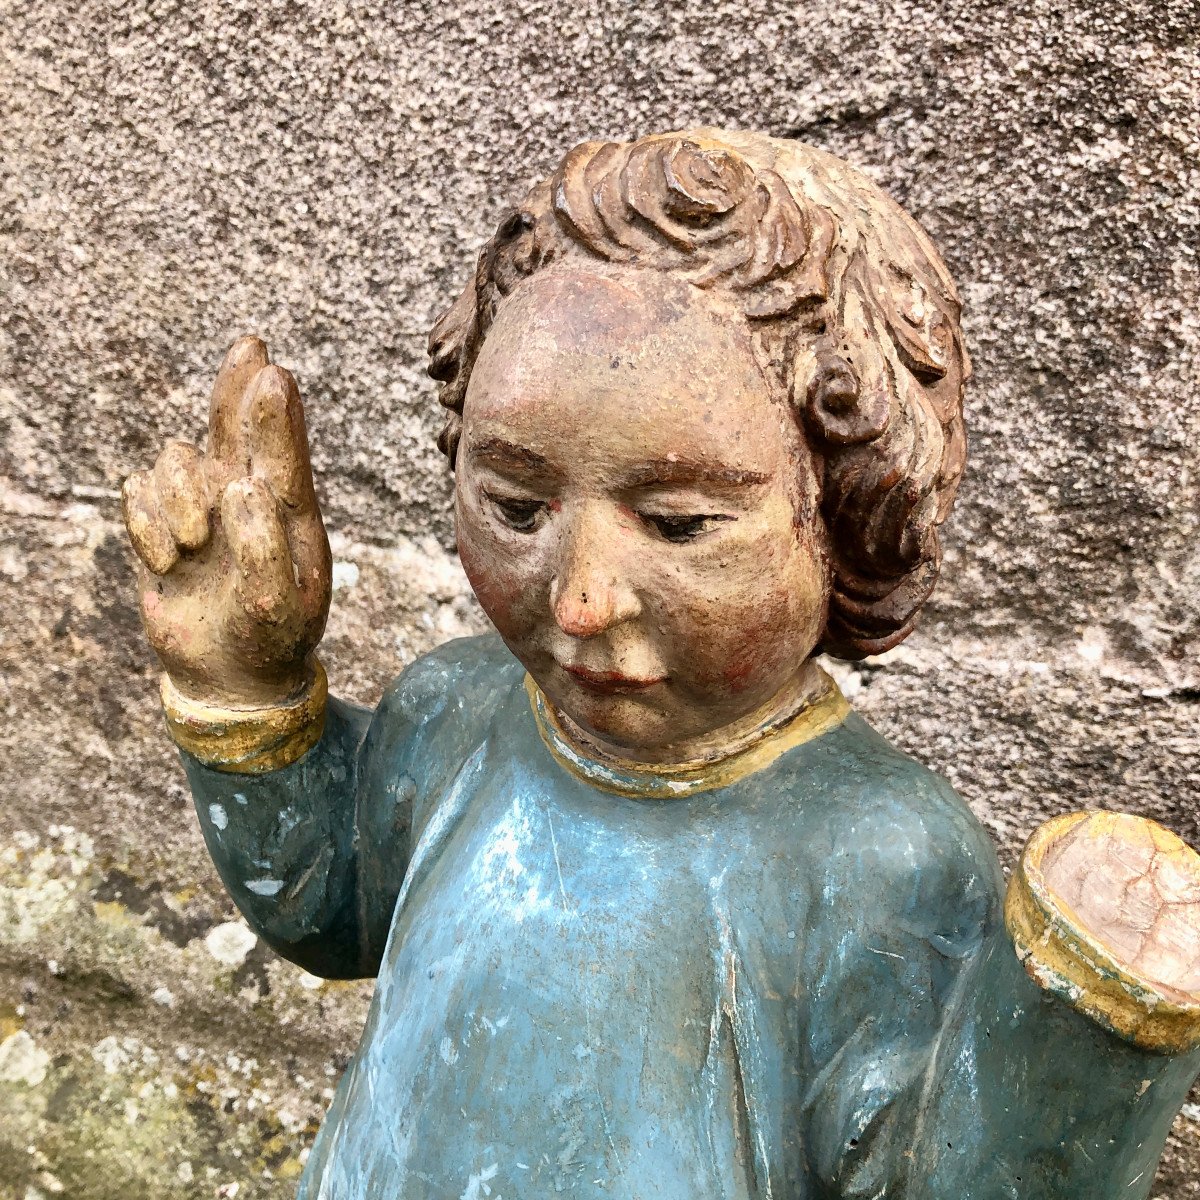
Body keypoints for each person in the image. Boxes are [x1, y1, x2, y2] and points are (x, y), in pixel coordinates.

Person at [122, 129, 1200, 1199]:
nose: (582, 599)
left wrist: (1084, 1043)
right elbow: (328, 903)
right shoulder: (454, 709)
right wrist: (243, 688)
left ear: (846, 518)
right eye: (515, 506)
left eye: (680, 523)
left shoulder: (880, 858)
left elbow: (930, 1176)